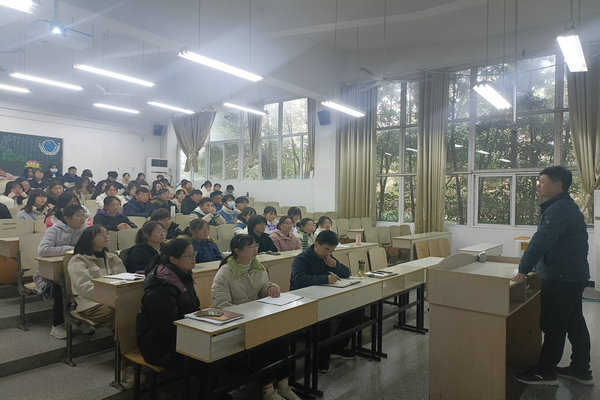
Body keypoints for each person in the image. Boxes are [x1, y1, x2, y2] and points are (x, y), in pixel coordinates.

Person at [512, 166, 592, 386]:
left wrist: (523, 269)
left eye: (542, 181)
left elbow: (540, 242)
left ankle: (545, 373)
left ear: (558, 185)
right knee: (574, 322)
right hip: (572, 275)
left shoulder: (558, 210)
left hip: (561, 277)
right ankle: (581, 369)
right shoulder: (565, 206)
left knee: (553, 325)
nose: (538, 185)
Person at [211, 235, 300, 400]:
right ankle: (268, 390)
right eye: (250, 246)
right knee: (262, 341)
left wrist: (271, 288)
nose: (255, 249)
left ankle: (283, 385)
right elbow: (221, 305)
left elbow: (264, 286)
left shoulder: (257, 266)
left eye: (256, 245)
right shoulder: (225, 273)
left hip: (258, 319)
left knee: (282, 336)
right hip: (236, 323)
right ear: (237, 251)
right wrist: (248, 315)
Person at [290, 230, 357, 372]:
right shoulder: (302, 259)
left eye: (332, 250)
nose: (329, 253)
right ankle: (320, 361)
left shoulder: (327, 257)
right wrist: (325, 278)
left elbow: (346, 273)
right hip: (303, 300)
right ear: (316, 245)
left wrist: (335, 266)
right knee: (323, 320)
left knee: (355, 311)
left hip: (324, 297)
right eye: (327, 249)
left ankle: (337, 348)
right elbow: (299, 279)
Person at [137, 238, 200, 370]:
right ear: (173, 259)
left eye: (194, 254)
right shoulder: (161, 284)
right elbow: (166, 326)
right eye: (189, 256)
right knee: (208, 356)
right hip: (159, 346)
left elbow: (194, 308)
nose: (194, 259)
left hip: (180, 335)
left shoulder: (183, 275)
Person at [38, 205, 88, 339]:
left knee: (85, 283)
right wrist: (70, 249)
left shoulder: (86, 230)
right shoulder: (54, 230)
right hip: (50, 274)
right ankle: (57, 325)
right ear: (67, 218)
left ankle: (80, 320)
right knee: (59, 287)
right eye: (78, 216)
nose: (82, 219)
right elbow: (43, 250)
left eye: (83, 215)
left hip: (77, 270)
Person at [67, 225, 125, 331]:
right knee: (120, 314)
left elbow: (125, 279)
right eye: (100, 234)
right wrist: (111, 297)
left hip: (115, 299)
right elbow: (85, 288)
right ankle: (125, 341)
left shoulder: (113, 258)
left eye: (107, 233)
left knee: (136, 309)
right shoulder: (78, 260)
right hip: (91, 304)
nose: (106, 236)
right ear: (89, 239)